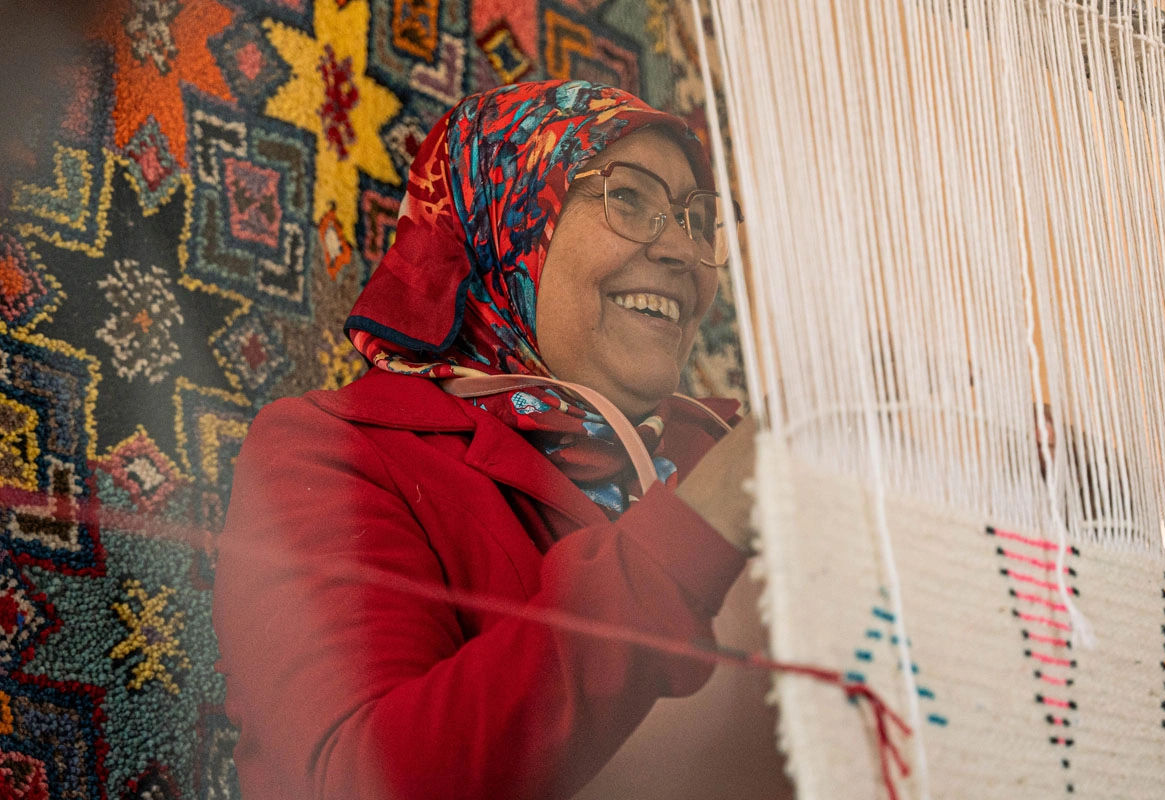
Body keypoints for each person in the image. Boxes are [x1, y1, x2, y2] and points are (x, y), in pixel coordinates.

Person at [213, 79, 763, 800]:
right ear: (506, 221)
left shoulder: (726, 443)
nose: (685, 254)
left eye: (696, 218)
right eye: (628, 197)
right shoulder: (338, 451)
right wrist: (700, 522)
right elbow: (359, 779)